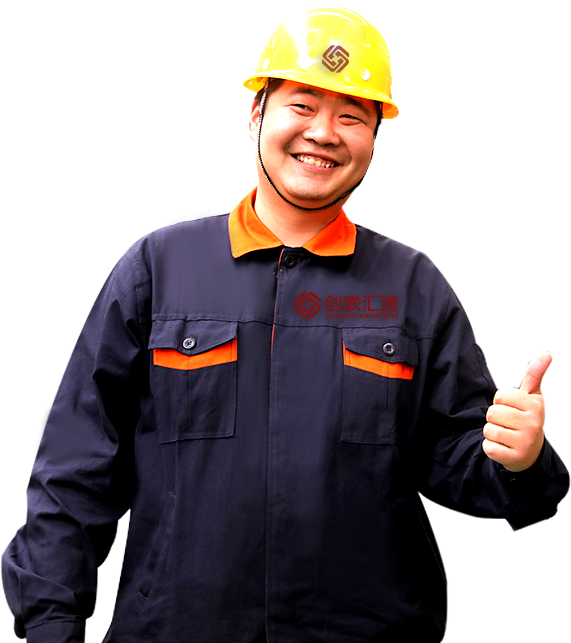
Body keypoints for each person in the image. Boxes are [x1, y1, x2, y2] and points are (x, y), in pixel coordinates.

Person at [2, 5, 570, 643]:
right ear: (256, 115)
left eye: (352, 117)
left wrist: (521, 460)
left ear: (374, 140)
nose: (323, 133)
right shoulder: (158, 271)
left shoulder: (413, 289)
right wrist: (51, 623)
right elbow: (76, 466)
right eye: (302, 106)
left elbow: (458, 459)